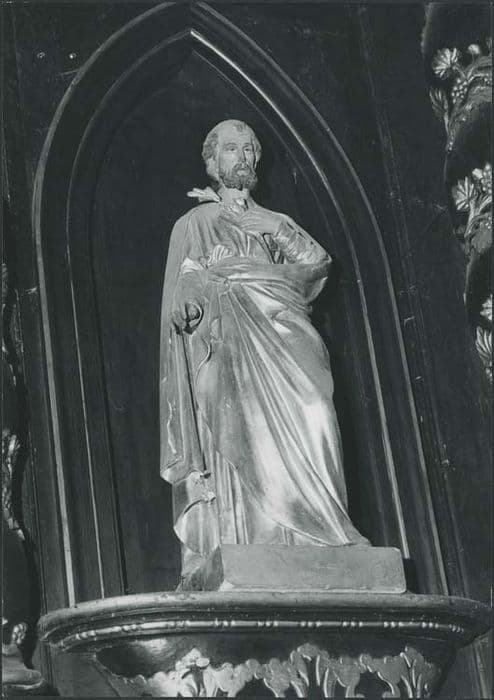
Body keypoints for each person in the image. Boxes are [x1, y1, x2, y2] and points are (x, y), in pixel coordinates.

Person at [159, 119, 368, 580]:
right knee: (238, 422)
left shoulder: (273, 222)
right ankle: (257, 541)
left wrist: (278, 225)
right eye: (232, 148)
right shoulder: (195, 222)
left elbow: (316, 267)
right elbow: (186, 278)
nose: (244, 157)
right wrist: (189, 296)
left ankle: (325, 530)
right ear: (213, 161)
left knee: (315, 409)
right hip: (229, 340)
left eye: (250, 149)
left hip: (287, 334)